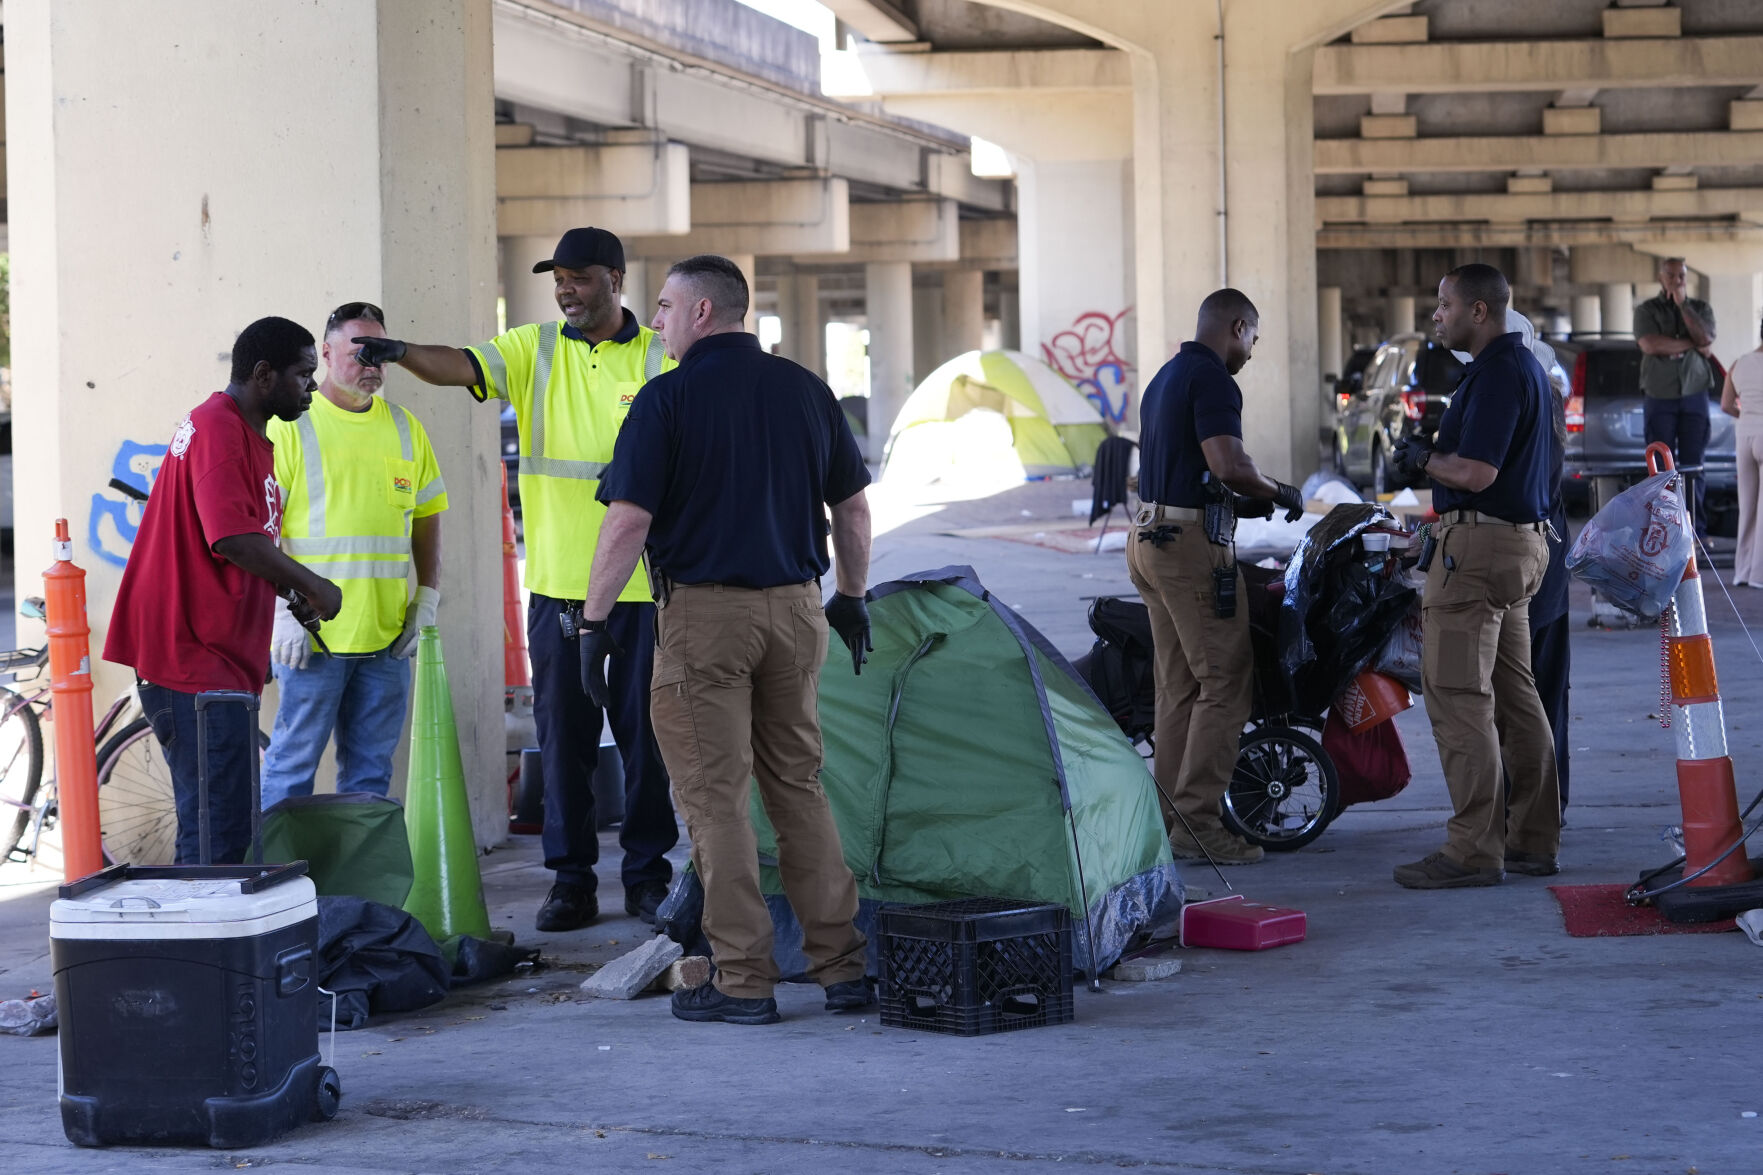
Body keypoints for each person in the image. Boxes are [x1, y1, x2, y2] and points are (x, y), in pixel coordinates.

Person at [352, 227, 680, 932]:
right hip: (560, 586)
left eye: (579, 277)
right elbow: (458, 364)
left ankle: (648, 874)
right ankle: (570, 880)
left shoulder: (660, 356)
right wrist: (402, 352)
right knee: (561, 741)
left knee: (645, 741)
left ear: (614, 279)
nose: (565, 289)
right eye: (557, 277)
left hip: (643, 592)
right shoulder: (531, 349)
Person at [578, 254, 873, 1026]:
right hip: (797, 612)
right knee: (797, 787)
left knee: (714, 802)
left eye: (667, 307)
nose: (658, 321)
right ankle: (842, 966)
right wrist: (851, 596)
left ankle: (743, 978)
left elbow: (629, 519)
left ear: (703, 312)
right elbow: (852, 510)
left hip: (706, 620)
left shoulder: (665, 398)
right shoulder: (807, 390)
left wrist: (593, 620)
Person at [103, 317, 342, 865]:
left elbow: (241, 542)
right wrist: (315, 585)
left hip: (215, 662)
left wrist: (287, 592)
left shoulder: (247, 435)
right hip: (191, 662)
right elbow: (232, 539)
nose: (311, 387)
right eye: (304, 375)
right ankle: (204, 948)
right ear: (264, 375)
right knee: (217, 837)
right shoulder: (218, 429)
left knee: (227, 828)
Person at [1388, 264, 1561, 888]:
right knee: (1517, 698)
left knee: (1459, 700)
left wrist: (1426, 458)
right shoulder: (1530, 371)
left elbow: (1480, 473)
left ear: (1480, 311)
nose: (1437, 314)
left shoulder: (1494, 375)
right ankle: (1534, 841)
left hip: (1479, 550)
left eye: (1444, 304)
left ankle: (1472, 852)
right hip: (1519, 550)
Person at [1125, 289, 1304, 866]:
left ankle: (1169, 818)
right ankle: (1199, 825)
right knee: (1226, 683)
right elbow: (1229, 464)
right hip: (1188, 550)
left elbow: (1186, 469)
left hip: (1150, 538)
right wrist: (1278, 492)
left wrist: (1230, 503)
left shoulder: (1167, 376)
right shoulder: (1214, 380)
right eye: (1252, 338)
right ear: (1237, 325)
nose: (1251, 352)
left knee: (1180, 687)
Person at [259, 303, 448, 808]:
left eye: (380, 352)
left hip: (386, 642)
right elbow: (263, 529)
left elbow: (428, 517)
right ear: (325, 353)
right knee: (291, 768)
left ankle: (355, 892)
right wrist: (283, 613)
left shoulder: (405, 429)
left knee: (369, 781)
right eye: (358, 350)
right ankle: (275, 884)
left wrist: (426, 597)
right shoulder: (290, 428)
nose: (372, 362)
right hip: (311, 641)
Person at [1635, 257, 1718, 536]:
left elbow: (1706, 337)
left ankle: (1696, 532)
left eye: (1681, 275)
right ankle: (1665, 532)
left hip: (1694, 392)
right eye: (1671, 275)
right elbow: (1650, 344)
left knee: (1695, 465)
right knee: (1661, 469)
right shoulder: (1647, 309)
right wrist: (1692, 345)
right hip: (1660, 394)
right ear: (1661, 278)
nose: (1677, 280)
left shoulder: (1700, 308)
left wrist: (1684, 306)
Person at [1720, 316, 1763, 586]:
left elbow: (1726, 405)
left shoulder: (1739, 363)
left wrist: (1746, 415)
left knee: (1747, 506)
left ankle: (1742, 573)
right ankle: (1759, 575)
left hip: (1744, 435)